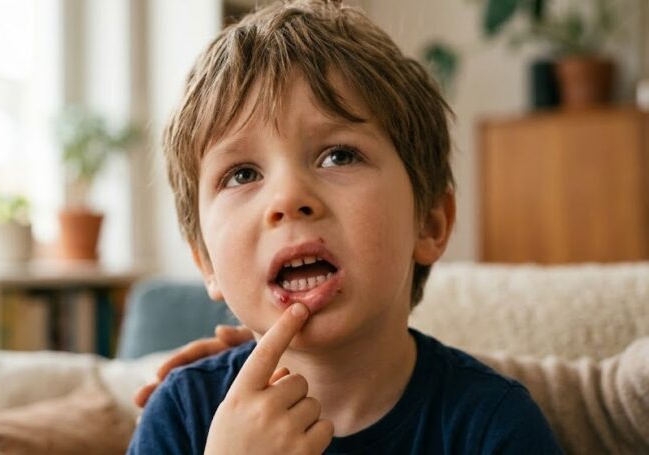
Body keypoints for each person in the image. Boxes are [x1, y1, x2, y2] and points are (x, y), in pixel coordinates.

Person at [127, 0, 562, 453]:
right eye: (242, 174)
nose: (288, 198)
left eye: (339, 155)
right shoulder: (180, 415)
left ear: (429, 224)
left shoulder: (495, 425)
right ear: (204, 260)